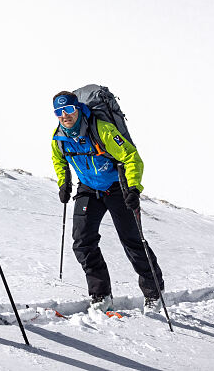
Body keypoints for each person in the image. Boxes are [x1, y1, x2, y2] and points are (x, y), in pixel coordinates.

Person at [51, 90, 164, 311]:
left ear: (78, 108)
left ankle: (154, 293)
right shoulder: (59, 138)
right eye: (59, 111)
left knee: (132, 241)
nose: (65, 115)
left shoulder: (101, 129)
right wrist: (63, 183)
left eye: (69, 109)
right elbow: (59, 160)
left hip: (117, 187)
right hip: (88, 189)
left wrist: (133, 188)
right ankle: (101, 295)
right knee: (82, 242)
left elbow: (131, 156)